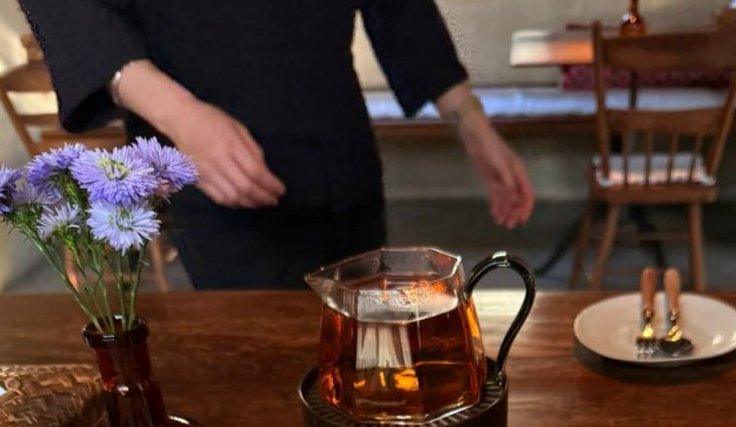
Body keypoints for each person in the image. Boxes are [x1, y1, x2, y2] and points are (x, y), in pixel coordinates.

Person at [19, 0, 535, 288]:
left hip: (342, 156)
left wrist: (472, 124)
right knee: (260, 378)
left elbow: (399, 9)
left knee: (365, 362)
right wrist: (179, 114)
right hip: (221, 178)